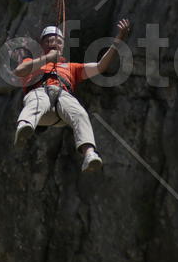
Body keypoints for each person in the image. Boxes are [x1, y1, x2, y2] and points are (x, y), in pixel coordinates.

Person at [13, 19, 131, 173]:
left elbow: (101, 66)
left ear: (62, 47)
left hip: (62, 105)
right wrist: (47, 58)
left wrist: (119, 39)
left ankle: (89, 154)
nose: (54, 43)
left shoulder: (71, 67)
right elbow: (19, 71)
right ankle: (24, 126)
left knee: (79, 112)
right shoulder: (32, 61)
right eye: (49, 41)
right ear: (41, 45)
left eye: (58, 42)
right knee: (39, 99)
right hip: (41, 103)